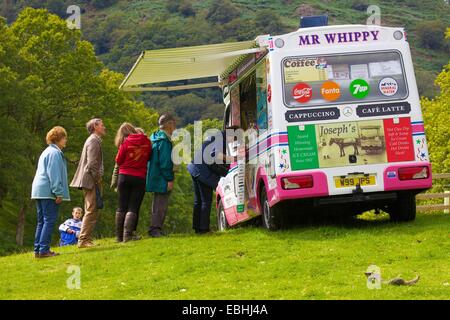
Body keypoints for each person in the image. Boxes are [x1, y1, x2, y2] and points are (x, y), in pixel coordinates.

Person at [31, 126, 70, 258]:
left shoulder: (46, 151)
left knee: (41, 221)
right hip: (48, 191)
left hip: (38, 190)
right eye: (64, 138)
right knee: (49, 220)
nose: (66, 141)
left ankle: (38, 249)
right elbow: (54, 175)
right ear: (58, 139)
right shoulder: (55, 153)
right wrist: (58, 192)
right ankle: (44, 250)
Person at [187, 129, 236, 234]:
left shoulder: (215, 137)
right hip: (203, 172)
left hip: (194, 168)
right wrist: (232, 158)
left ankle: (197, 227)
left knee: (198, 201)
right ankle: (204, 229)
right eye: (235, 138)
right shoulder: (221, 139)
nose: (233, 142)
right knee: (206, 201)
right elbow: (215, 154)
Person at [70, 118, 106, 248]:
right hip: (91, 180)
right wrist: (97, 178)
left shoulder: (94, 140)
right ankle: (83, 240)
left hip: (91, 179)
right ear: (95, 126)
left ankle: (87, 239)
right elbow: (91, 164)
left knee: (92, 209)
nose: (104, 127)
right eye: (102, 125)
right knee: (91, 209)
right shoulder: (93, 141)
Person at [114, 123, 152, 242]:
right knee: (133, 207)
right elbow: (149, 157)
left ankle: (119, 237)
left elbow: (118, 160)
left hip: (124, 176)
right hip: (140, 177)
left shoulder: (125, 142)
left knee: (121, 206)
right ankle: (128, 236)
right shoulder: (147, 142)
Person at [146, 114, 176, 238]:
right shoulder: (164, 141)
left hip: (154, 175)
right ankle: (155, 229)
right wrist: (169, 178)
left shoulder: (154, 137)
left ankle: (155, 227)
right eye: (174, 124)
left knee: (157, 203)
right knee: (161, 204)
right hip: (162, 177)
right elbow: (165, 162)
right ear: (168, 124)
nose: (175, 127)